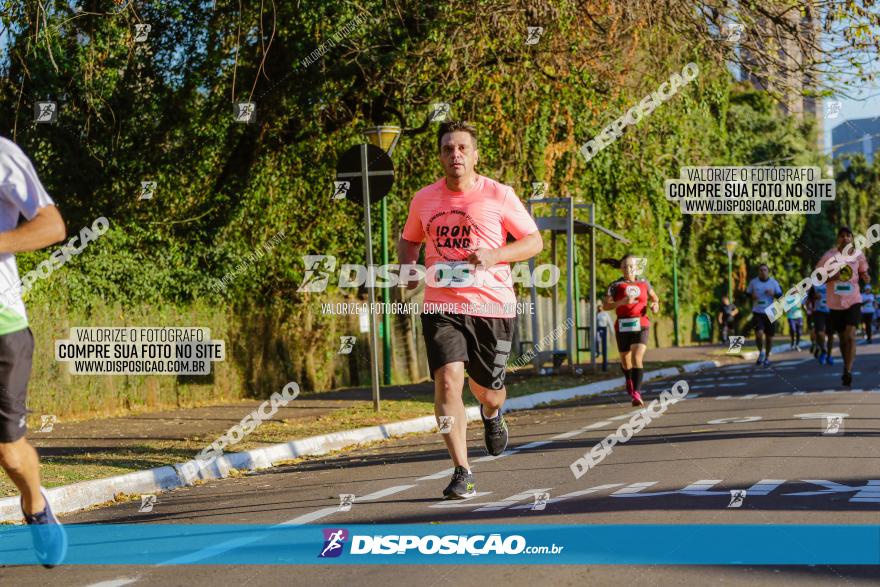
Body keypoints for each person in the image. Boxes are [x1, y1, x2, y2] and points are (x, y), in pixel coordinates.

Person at [398, 120, 543, 499]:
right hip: (441, 306)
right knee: (447, 381)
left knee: (488, 391)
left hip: (492, 306)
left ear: (475, 155)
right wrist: (408, 270)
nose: (455, 154)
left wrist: (496, 254)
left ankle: (492, 414)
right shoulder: (423, 199)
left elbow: (534, 241)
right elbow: (409, 240)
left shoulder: (499, 194)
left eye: (462, 148)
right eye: (448, 149)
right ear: (440, 156)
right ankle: (462, 469)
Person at [0, 137, 68, 567]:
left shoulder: (2, 155)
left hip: (3, 325)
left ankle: (35, 507)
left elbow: (51, 225)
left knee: (7, 451)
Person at [601, 254, 660, 407]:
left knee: (637, 357)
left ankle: (636, 393)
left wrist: (655, 306)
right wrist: (620, 302)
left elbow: (655, 298)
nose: (629, 269)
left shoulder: (644, 282)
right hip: (622, 325)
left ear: (636, 267)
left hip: (641, 324)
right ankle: (628, 379)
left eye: (631, 266)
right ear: (621, 268)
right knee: (626, 362)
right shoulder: (615, 285)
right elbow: (605, 306)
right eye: (625, 266)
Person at [816, 226, 870, 387]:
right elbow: (817, 278)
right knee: (842, 339)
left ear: (852, 238)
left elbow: (863, 272)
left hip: (854, 300)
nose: (845, 238)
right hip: (835, 303)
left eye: (848, 235)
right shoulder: (829, 256)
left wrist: (866, 276)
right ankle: (846, 366)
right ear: (837, 239)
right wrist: (833, 276)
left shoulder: (858, 255)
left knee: (851, 335)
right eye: (842, 236)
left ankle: (848, 369)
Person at [746, 264, 783, 366]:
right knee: (758, 334)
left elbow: (781, 296)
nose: (763, 272)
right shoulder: (753, 282)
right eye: (761, 270)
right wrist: (751, 296)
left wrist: (773, 294)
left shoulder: (773, 283)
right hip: (758, 312)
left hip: (771, 312)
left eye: (765, 270)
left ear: (768, 271)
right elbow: (747, 293)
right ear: (758, 272)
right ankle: (761, 352)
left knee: (769, 337)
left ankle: (767, 357)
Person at [810, 283, 833, 364]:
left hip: (831, 311)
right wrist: (814, 296)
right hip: (819, 311)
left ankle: (829, 356)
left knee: (830, 335)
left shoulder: (833, 281)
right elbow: (809, 297)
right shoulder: (814, 284)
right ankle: (824, 350)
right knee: (819, 333)